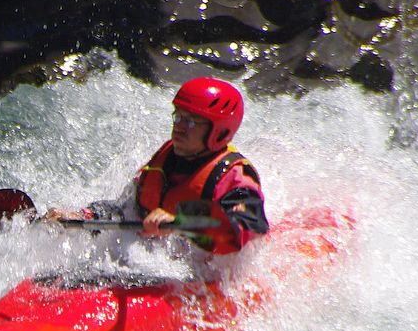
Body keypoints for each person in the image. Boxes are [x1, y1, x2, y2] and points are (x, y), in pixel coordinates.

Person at [54, 76, 269, 255]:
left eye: (191, 122)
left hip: (205, 276)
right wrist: (85, 216)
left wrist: (182, 219)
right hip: (157, 266)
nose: (179, 128)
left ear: (219, 131)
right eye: (178, 117)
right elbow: (125, 210)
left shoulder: (235, 176)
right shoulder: (165, 158)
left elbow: (246, 226)